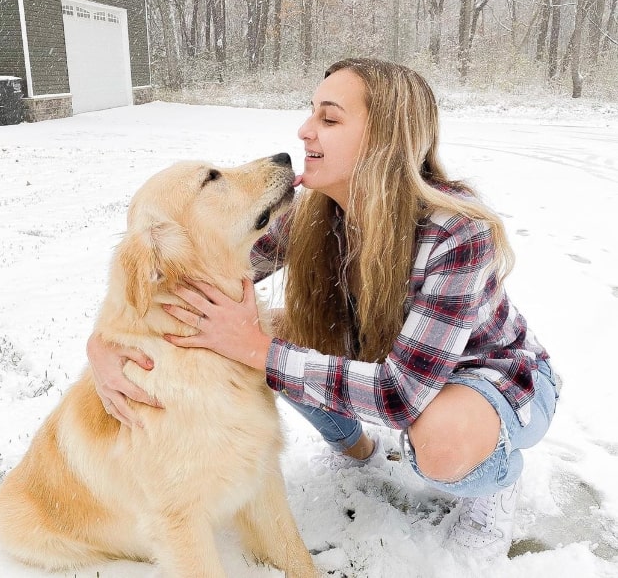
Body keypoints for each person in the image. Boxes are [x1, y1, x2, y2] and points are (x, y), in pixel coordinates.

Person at [87, 58, 560, 560]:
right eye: (311, 112)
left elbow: (401, 397)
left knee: (437, 441)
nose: (304, 130)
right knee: (260, 333)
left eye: (329, 119)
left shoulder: (455, 233)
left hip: (494, 387)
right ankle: (358, 449)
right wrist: (104, 342)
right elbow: (193, 275)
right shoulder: (314, 217)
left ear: (385, 142)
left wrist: (255, 347)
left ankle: (494, 484)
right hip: (389, 367)